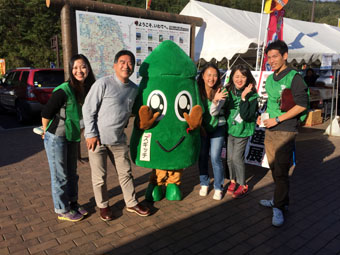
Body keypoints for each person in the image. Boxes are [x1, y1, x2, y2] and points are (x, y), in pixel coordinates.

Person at [83, 50, 150, 221]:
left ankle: (131, 202)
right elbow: (88, 109)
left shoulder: (134, 90)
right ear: (115, 65)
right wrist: (90, 134)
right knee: (100, 177)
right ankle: (103, 206)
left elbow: (136, 111)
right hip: (97, 140)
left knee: (126, 173)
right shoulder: (103, 83)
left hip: (118, 140)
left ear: (133, 68)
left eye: (130, 63)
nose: (126, 66)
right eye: (122, 62)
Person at [257, 40, 309, 227]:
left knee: (280, 171)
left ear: (285, 56)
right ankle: (279, 200)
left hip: (285, 131)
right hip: (270, 130)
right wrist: (262, 118)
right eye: (269, 57)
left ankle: (278, 207)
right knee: (274, 168)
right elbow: (271, 104)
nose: (271, 60)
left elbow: (302, 105)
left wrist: (278, 120)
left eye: (275, 56)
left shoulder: (294, 77)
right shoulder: (271, 79)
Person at [42, 54, 96, 222]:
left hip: (72, 136)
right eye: (75, 68)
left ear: (88, 68)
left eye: (83, 67)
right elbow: (46, 113)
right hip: (56, 137)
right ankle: (61, 209)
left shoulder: (89, 88)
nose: (79, 71)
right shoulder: (63, 90)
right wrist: (45, 132)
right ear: (71, 71)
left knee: (72, 173)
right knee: (60, 175)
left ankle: (72, 203)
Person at [212, 64, 258, 199]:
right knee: (230, 159)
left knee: (237, 158)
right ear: (232, 78)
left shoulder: (252, 95)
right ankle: (233, 181)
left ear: (247, 78)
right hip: (230, 129)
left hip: (243, 130)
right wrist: (218, 99)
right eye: (236, 76)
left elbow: (246, 115)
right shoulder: (229, 91)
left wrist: (244, 98)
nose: (239, 79)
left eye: (243, 77)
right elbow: (222, 107)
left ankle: (243, 184)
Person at [197, 63, 228, 200]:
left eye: (215, 75)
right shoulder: (197, 90)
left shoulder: (222, 91)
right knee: (202, 155)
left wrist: (215, 101)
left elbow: (214, 113)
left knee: (215, 157)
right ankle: (204, 182)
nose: (212, 78)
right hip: (203, 128)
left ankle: (218, 186)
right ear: (203, 76)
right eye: (209, 75)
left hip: (218, 128)